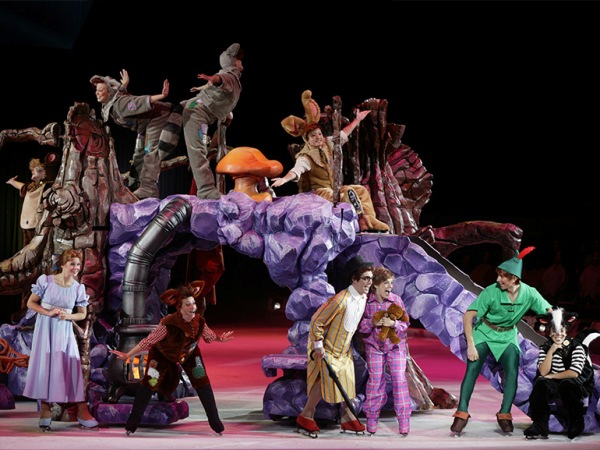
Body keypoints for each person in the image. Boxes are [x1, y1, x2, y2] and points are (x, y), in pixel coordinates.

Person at [450, 246, 553, 434]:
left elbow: (549, 311)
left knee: (512, 370)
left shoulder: (529, 293)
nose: (498, 279)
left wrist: (559, 322)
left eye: (503, 276)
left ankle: (504, 414)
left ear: (514, 278)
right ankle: (461, 413)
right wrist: (471, 345)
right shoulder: (491, 291)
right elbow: (468, 316)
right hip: (485, 332)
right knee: (472, 367)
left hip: (507, 336)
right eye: (498, 275)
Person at [110, 281, 234, 435]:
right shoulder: (168, 323)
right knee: (150, 382)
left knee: (202, 380)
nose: (193, 307)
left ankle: (215, 422)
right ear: (180, 307)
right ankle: (132, 423)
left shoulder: (199, 321)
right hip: (162, 355)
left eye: (193, 303)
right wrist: (128, 354)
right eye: (188, 304)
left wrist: (220, 339)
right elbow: (148, 341)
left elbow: (209, 336)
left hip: (189, 354)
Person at [273, 90, 389, 233]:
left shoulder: (327, 144)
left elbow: (343, 134)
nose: (318, 137)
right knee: (342, 194)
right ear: (307, 139)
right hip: (317, 192)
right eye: (313, 136)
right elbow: (296, 170)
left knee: (361, 190)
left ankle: (370, 219)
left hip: (334, 188)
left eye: (319, 134)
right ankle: (358, 218)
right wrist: (284, 179)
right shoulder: (305, 156)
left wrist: (357, 120)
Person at [295, 255, 374, 437]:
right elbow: (317, 320)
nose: (369, 282)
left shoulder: (363, 298)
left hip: (344, 349)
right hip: (326, 348)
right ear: (354, 279)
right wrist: (318, 345)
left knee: (348, 379)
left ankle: (347, 417)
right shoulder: (340, 300)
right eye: (365, 278)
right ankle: (306, 415)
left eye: (371, 279)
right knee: (326, 378)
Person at [22, 248, 99, 431]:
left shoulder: (78, 288)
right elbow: (31, 303)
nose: (76, 267)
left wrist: (68, 316)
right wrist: (48, 312)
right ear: (63, 264)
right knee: (46, 365)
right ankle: (45, 410)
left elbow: (82, 314)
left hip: (64, 331)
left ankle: (81, 410)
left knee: (69, 367)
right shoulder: (46, 281)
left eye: (78, 264)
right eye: (72, 264)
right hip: (45, 329)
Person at [90, 69, 178, 199]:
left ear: (109, 92)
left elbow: (141, 101)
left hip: (157, 117)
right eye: (96, 90)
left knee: (150, 151)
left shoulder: (120, 105)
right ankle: (134, 185)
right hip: (144, 125)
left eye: (101, 90)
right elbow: (118, 93)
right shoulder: (110, 104)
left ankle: (148, 188)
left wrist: (162, 95)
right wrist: (124, 85)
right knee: (138, 155)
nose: (97, 93)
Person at [181, 43, 243, 200]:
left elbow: (214, 84)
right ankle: (206, 189)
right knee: (197, 150)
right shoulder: (230, 76)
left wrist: (201, 87)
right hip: (196, 111)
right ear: (233, 62)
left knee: (229, 115)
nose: (242, 63)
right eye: (239, 60)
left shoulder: (231, 78)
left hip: (201, 109)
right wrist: (210, 78)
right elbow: (218, 79)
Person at [524, 308, 595, 440]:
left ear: (566, 331)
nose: (558, 334)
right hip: (555, 381)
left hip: (577, 381)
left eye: (561, 331)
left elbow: (574, 373)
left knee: (567, 385)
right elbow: (543, 372)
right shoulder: (546, 347)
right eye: (554, 331)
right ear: (550, 332)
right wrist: (551, 351)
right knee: (540, 383)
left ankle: (576, 421)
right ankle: (540, 424)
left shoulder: (576, 347)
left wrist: (552, 376)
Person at [358, 266, 411, 436]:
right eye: (386, 283)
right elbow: (361, 327)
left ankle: (404, 419)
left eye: (391, 283)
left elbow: (405, 324)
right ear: (376, 285)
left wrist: (394, 324)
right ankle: (372, 417)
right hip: (374, 347)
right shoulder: (367, 302)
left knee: (399, 380)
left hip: (395, 347)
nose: (390, 286)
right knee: (375, 381)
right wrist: (372, 323)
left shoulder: (396, 300)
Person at [6, 153, 58, 246]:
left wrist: (43, 171)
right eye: (32, 169)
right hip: (28, 223)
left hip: (39, 223)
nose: (32, 171)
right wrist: (12, 182)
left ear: (43, 170)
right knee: (28, 247)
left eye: (36, 169)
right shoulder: (32, 187)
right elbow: (22, 186)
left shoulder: (47, 185)